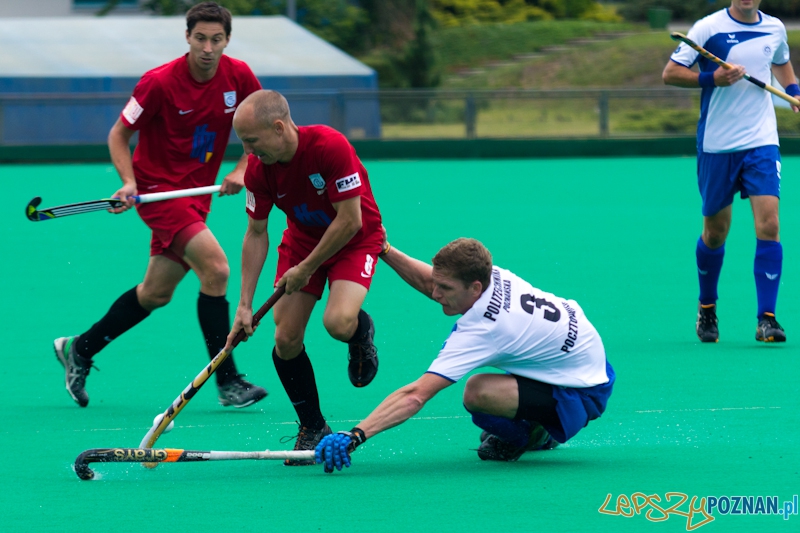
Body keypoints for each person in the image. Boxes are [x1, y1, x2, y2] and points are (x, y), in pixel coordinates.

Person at [54, 2, 268, 409]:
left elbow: (259, 126)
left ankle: (79, 348)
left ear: (227, 40)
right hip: (157, 191)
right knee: (217, 270)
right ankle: (228, 381)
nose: (208, 48)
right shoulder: (158, 83)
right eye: (200, 38)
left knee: (155, 293)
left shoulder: (239, 76)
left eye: (216, 39)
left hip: (196, 195)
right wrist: (128, 181)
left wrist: (242, 167)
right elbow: (119, 134)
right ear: (187, 37)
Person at [314, 237, 615, 472]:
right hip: (582, 360)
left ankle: (534, 435)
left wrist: (356, 435)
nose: (435, 294)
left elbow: (416, 395)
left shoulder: (485, 330)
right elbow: (432, 282)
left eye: (445, 288)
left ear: (474, 287)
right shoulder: (492, 275)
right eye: (437, 283)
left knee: (478, 393)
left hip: (582, 390)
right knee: (492, 398)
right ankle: (533, 419)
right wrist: (385, 249)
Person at [225, 89, 384, 465]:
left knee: (338, 323)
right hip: (302, 242)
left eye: (252, 140)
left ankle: (360, 333)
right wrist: (244, 305)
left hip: (354, 240)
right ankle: (313, 426)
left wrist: (307, 268)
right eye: (243, 142)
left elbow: (350, 220)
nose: (247, 151)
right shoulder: (258, 170)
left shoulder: (330, 146)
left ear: (279, 128)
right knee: (285, 338)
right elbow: (256, 233)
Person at [663, 0, 798, 343]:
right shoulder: (707, 28)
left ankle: (767, 318)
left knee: (769, 224)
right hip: (717, 145)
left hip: (761, 141)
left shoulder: (775, 28)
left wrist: (794, 91)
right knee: (715, 233)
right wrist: (712, 78)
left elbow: (781, 62)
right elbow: (671, 73)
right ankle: (707, 306)